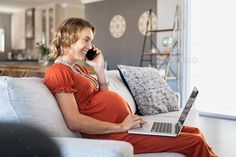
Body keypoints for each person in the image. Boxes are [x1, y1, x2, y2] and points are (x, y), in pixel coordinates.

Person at [44, 17, 217, 157]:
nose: (91, 47)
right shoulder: (58, 71)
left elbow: (102, 96)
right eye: (86, 40)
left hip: (128, 125)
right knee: (195, 142)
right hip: (111, 134)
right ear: (68, 38)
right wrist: (120, 127)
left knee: (195, 132)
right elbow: (74, 121)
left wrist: (99, 69)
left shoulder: (79, 68)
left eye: (91, 41)